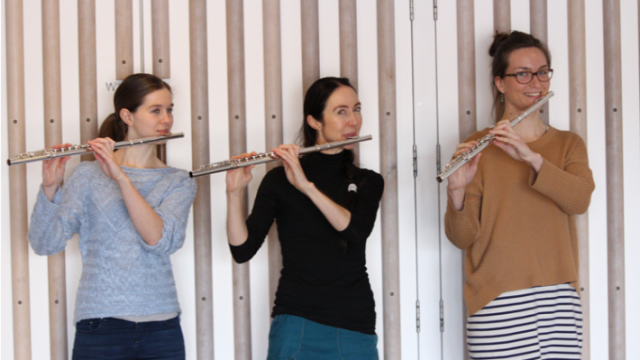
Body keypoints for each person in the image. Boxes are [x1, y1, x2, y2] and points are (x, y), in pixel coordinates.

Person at [444, 31, 595, 359]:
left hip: (559, 300)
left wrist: (530, 157)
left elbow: (579, 200)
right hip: (498, 300)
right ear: (500, 83)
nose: (536, 82)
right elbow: (462, 237)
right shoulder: (477, 145)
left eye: (543, 72)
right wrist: (455, 190)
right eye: (522, 74)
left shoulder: (569, 144)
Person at [28, 73, 196, 360]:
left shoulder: (178, 181)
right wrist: (50, 188)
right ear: (127, 116)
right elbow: (45, 244)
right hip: (100, 324)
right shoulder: (87, 175)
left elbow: (158, 240)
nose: (166, 119)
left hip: (162, 326)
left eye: (169, 110)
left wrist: (120, 178)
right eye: (155, 110)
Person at [226, 77, 383, 359]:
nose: (354, 121)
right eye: (342, 111)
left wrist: (306, 186)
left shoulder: (368, 181)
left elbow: (355, 232)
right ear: (314, 122)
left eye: (356, 109)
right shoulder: (278, 180)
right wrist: (234, 194)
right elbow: (242, 250)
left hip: (354, 323)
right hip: (296, 322)